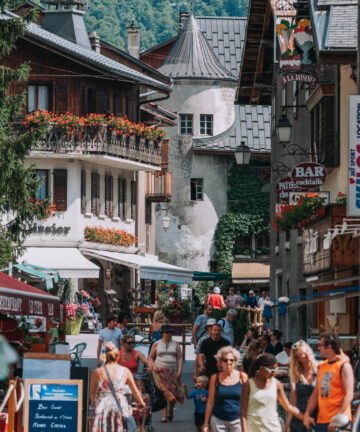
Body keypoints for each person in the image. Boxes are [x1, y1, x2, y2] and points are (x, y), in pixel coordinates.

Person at [240, 354, 305, 432]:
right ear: (262, 368)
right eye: (272, 371)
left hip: (273, 428)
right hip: (253, 428)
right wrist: (244, 429)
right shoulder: (248, 385)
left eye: (276, 370)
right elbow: (243, 411)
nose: (274, 373)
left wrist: (304, 417)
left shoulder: (276, 384)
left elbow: (288, 406)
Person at [303, 333, 354, 432]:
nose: (318, 348)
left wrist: (336, 419)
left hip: (339, 422)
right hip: (322, 421)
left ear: (329, 346)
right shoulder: (322, 366)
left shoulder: (344, 366)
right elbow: (315, 393)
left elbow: (349, 395)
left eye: (320, 345)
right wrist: (307, 413)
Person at [91, 342, 145, 432]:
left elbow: (93, 395)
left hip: (103, 407)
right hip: (120, 407)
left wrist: (95, 405)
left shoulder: (97, 372)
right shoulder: (125, 371)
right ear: (118, 357)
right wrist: (141, 402)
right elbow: (135, 391)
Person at [203, 346, 246, 432]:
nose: (228, 362)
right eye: (225, 360)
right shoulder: (215, 378)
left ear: (235, 361)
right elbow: (210, 402)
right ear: (220, 362)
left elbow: (247, 402)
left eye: (231, 360)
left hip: (237, 421)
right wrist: (205, 424)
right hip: (218, 421)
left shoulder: (243, 377)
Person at [149, 324, 184, 423]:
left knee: (172, 395)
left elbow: (179, 357)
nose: (170, 334)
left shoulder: (176, 344)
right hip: (159, 371)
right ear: (162, 333)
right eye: (167, 332)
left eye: (171, 332)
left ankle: (170, 410)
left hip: (172, 371)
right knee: (162, 393)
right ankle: (164, 415)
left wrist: (180, 369)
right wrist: (153, 366)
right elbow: (151, 357)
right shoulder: (156, 344)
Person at [286, 340, 317, 432]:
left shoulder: (320, 369)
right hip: (299, 419)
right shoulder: (296, 375)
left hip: (318, 418)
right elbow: (293, 401)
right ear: (297, 359)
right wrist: (288, 424)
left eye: (308, 350)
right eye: (303, 354)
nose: (307, 355)